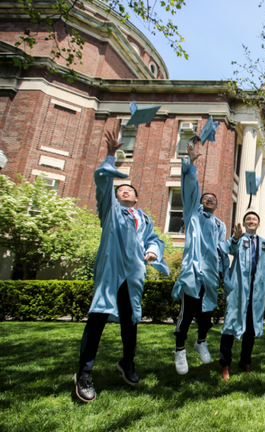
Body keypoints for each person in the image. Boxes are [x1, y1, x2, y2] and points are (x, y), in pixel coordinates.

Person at [74, 130, 169, 403]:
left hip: (133, 276)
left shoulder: (145, 218)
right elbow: (103, 182)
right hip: (111, 272)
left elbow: (154, 239)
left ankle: (127, 362)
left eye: (128, 189)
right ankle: (84, 373)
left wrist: (152, 251)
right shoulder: (111, 211)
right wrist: (111, 156)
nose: (123, 190)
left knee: (131, 321)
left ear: (136, 199)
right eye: (120, 190)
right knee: (98, 320)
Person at [172, 140, 229, 375]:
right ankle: (180, 349)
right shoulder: (192, 214)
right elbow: (190, 190)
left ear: (217, 205)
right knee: (186, 315)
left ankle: (201, 341)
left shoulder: (220, 224)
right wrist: (192, 168)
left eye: (213, 199)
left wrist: (224, 273)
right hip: (194, 273)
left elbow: (222, 250)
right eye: (206, 197)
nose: (210, 199)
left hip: (211, 275)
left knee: (207, 314)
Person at [218, 211, 265, 381]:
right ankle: (225, 364)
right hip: (239, 290)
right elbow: (229, 249)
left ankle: (245, 360)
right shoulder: (239, 239)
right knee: (230, 326)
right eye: (248, 219)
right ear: (244, 223)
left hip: (256, 292)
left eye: (254, 219)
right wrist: (235, 237)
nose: (251, 221)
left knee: (251, 327)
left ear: (258, 224)